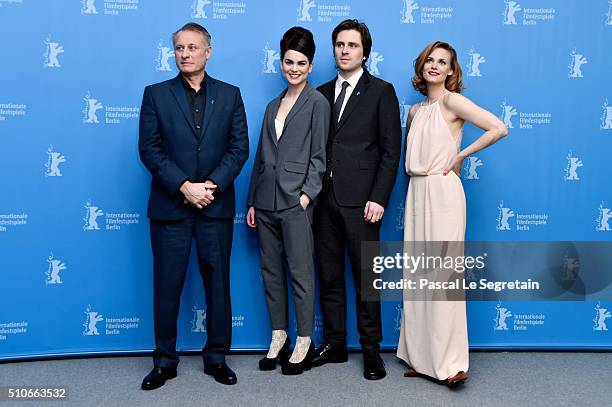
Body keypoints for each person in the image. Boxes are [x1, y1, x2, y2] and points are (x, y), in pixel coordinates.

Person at [138, 22, 249, 389]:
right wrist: (185, 187)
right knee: (167, 287)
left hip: (214, 209)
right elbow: (149, 150)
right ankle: (164, 361)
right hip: (171, 209)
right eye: (179, 48)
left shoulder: (231, 95)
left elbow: (239, 149)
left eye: (192, 47)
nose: (185, 54)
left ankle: (217, 358)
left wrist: (211, 186)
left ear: (208, 52)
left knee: (218, 285)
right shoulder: (155, 94)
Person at [397, 41, 508, 388]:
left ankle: (449, 363)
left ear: (450, 70)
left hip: (443, 192)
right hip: (418, 191)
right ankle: (421, 358)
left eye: (441, 62)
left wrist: (461, 156)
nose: (434, 66)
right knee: (418, 275)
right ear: (422, 66)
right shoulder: (416, 111)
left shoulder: (451, 101)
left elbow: (498, 127)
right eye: (429, 60)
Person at [312, 19, 401, 380]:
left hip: (363, 202)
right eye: (339, 44)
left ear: (365, 51)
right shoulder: (318, 92)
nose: (345, 50)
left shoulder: (381, 91)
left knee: (367, 280)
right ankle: (334, 344)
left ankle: (371, 350)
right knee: (329, 276)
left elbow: (390, 151)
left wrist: (379, 197)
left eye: (352, 45)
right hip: (323, 201)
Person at [246, 27, 330, 375]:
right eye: (288, 62)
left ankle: (304, 339)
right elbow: (263, 155)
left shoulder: (318, 104)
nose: (293, 68)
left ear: (310, 66)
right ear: (281, 62)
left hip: (296, 201)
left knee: (300, 273)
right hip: (265, 201)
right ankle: (278, 335)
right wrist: (252, 200)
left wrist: (307, 196)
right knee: (270, 272)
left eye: (301, 63)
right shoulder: (271, 105)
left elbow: (319, 157)